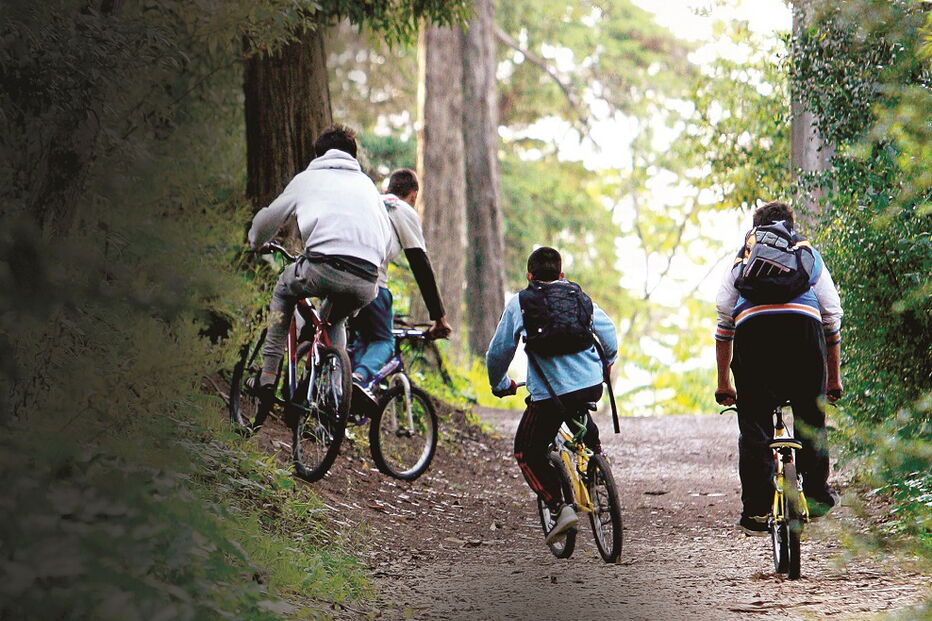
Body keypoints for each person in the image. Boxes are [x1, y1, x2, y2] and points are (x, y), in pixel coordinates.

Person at [714, 201, 843, 536]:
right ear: (791, 224)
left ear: (755, 227)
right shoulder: (805, 253)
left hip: (755, 339)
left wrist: (724, 382)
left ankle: (756, 510)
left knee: (755, 426)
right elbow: (831, 315)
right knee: (810, 419)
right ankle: (816, 497)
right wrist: (832, 379)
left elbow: (724, 318)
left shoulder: (744, 258)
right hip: (803, 336)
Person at [247, 124, 392, 405]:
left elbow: (268, 220)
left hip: (323, 267)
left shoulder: (309, 178)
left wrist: (254, 241)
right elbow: (386, 241)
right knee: (334, 319)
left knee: (283, 291)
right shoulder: (368, 186)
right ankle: (335, 393)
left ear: (319, 154)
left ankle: (266, 377)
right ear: (353, 155)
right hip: (367, 279)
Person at [486, 247, 618, 544]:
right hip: (589, 384)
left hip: (549, 396)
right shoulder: (579, 296)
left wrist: (499, 384)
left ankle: (560, 508)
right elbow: (608, 335)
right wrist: (607, 361)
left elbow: (499, 352)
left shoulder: (521, 302)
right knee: (576, 408)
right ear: (561, 275)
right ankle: (596, 456)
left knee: (526, 451)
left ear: (529, 276)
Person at [350, 169, 450, 401]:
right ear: (414, 196)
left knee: (359, 341)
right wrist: (439, 318)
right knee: (384, 340)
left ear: (388, 190)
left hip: (337, 269)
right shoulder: (402, 209)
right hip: (371, 282)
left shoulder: (371, 200)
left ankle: (338, 387)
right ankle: (358, 379)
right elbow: (420, 265)